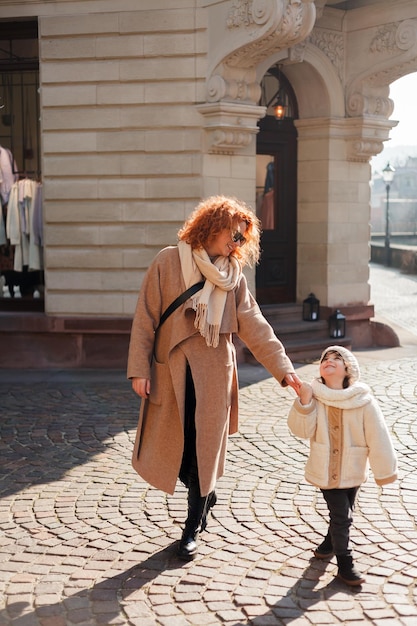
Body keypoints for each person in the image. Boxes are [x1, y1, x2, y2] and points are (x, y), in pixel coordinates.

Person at [127, 195, 301, 560]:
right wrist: (139, 368)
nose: (236, 244)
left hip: (213, 375)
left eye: (242, 239)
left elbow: (254, 325)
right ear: (212, 226)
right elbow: (145, 317)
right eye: (233, 235)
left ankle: (192, 523)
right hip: (172, 370)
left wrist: (284, 371)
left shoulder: (233, 277)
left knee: (201, 448)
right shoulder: (168, 261)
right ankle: (205, 491)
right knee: (176, 447)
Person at [288, 345, 397, 586]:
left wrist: (385, 470)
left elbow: (378, 435)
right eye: (325, 358)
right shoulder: (315, 396)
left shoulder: (363, 400)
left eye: (336, 358)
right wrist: (304, 402)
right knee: (342, 516)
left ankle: (328, 544)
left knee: (343, 512)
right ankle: (345, 564)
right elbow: (301, 430)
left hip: (353, 468)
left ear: (348, 368)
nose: (329, 360)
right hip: (325, 469)